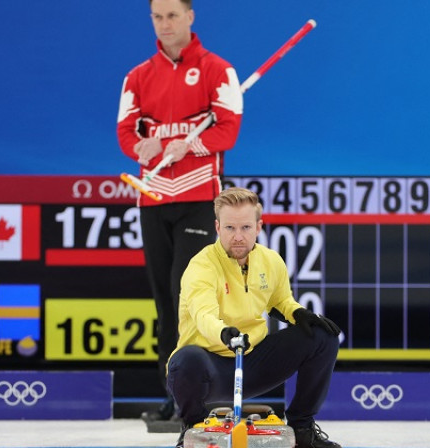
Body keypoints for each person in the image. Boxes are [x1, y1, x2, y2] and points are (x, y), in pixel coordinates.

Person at [116, 0, 244, 421]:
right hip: (153, 197)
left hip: (197, 199)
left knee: (187, 296)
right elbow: (125, 132)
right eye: (157, 16)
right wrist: (142, 146)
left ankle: (201, 394)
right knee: (163, 303)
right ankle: (174, 396)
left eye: (173, 15)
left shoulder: (217, 70)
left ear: (190, 16)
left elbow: (228, 129)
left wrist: (190, 144)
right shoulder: (137, 77)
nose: (165, 23)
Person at [167, 187, 342, 448]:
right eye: (230, 228)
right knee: (184, 361)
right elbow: (203, 314)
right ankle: (194, 429)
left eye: (246, 228)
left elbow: (280, 301)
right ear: (217, 227)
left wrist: (298, 312)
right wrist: (225, 333)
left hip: (253, 361)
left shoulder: (271, 261)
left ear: (259, 227)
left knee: (322, 337)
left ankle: (302, 427)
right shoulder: (201, 266)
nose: (238, 237)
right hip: (209, 368)